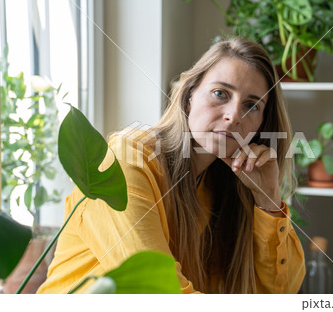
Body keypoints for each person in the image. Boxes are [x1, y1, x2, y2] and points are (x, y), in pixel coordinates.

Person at [37, 37, 305, 294]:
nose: (233, 115)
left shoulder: (224, 188)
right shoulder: (129, 160)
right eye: (220, 93)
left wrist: (267, 199)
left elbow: (281, 291)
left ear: (260, 126)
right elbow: (158, 291)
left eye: (252, 105)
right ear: (189, 96)